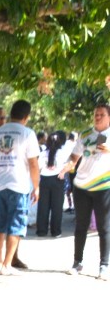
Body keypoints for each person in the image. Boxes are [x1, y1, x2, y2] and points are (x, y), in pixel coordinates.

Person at [0, 99, 40, 274]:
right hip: (19, 185)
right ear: (26, 116)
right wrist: (36, 186)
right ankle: (7, 265)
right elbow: (33, 164)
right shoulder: (27, 133)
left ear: (11, 114)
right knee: (16, 225)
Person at [65, 103, 110, 278]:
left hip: (104, 187)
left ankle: (104, 265)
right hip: (82, 186)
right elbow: (74, 158)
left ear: (108, 117)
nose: (97, 117)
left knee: (104, 227)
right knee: (81, 226)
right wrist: (66, 167)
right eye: (95, 114)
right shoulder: (85, 134)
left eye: (101, 114)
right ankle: (77, 263)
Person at [36, 130, 74, 238]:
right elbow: (71, 163)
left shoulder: (43, 153)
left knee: (43, 206)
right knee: (57, 207)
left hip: (44, 180)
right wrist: (63, 172)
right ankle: (56, 231)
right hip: (58, 180)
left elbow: (38, 168)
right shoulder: (62, 152)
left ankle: (41, 231)